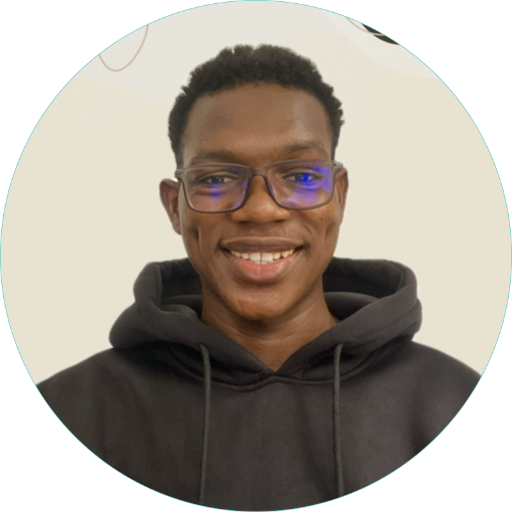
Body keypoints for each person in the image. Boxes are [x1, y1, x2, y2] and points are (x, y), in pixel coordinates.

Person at [37, 45, 480, 510]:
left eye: (302, 176)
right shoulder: (69, 411)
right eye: (215, 179)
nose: (261, 208)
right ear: (174, 206)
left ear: (340, 196)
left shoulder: (452, 402)